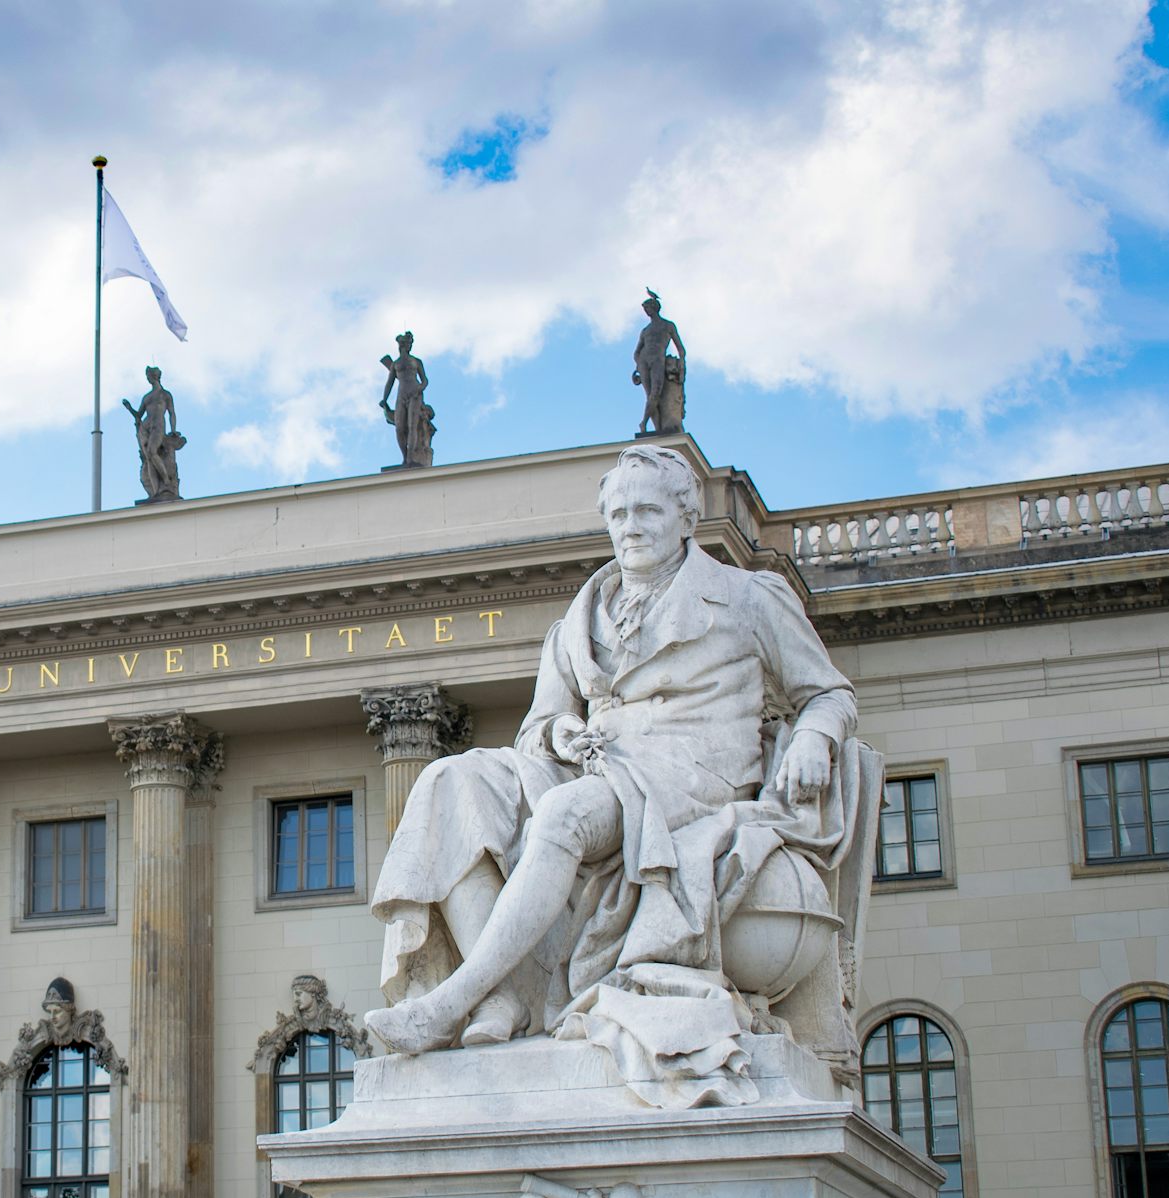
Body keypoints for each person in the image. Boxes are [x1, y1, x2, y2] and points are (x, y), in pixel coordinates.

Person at [365, 445, 859, 1103]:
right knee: (450, 784)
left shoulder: (746, 598)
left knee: (565, 816)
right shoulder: (580, 617)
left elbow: (828, 693)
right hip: (597, 768)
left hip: (689, 779)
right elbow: (539, 726)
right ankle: (506, 996)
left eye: (648, 511)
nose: (631, 526)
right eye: (620, 513)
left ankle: (456, 999)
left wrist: (815, 739)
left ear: (686, 519)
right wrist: (560, 731)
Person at [122, 367, 183, 502]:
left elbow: (172, 413)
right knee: (149, 458)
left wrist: (173, 430)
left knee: (152, 452)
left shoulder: (165, 394)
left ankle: (166, 480)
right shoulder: (147, 397)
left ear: (154, 376)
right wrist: (128, 407)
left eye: (148, 375)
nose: (147, 378)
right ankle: (155, 492)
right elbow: (138, 415)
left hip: (158, 427)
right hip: (146, 427)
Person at [631, 292, 685, 434]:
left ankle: (643, 422)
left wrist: (681, 365)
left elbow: (680, 348)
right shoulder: (645, 331)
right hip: (644, 361)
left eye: (648, 308)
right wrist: (637, 365)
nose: (646, 312)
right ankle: (657, 429)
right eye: (645, 309)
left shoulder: (668, 326)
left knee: (655, 394)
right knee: (650, 394)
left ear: (654, 308)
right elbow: (636, 351)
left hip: (658, 360)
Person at [380, 331, 435, 467]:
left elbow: (425, 380)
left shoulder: (416, 361)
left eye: (409, 344)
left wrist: (420, 389)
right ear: (401, 345)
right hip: (401, 394)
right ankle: (405, 458)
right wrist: (384, 399)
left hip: (414, 394)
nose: (408, 346)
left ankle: (410, 459)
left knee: (412, 425)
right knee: (399, 427)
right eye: (406, 344)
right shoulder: (395, 364)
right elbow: (390, 382)